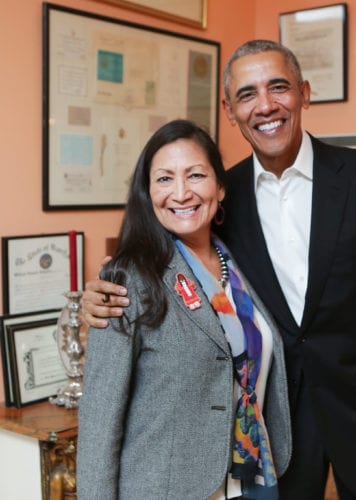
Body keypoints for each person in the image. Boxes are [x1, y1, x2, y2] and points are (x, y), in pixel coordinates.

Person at [83, 41, 356, 500]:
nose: (266, 106)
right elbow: (170, 267)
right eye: (248, 94)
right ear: (230, 110)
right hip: (278, 426)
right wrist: (97, 298)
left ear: (304, 93)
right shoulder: (221, 196)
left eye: (279, 87)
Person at [77, 119, 291, 499]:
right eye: (164, 179)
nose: (180, 193)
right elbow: (100, 418)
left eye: (195, 175)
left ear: (220, 187)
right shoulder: (128, 279)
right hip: (166, 487)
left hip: (251, 479)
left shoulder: (239, 264)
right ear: (147, 191)